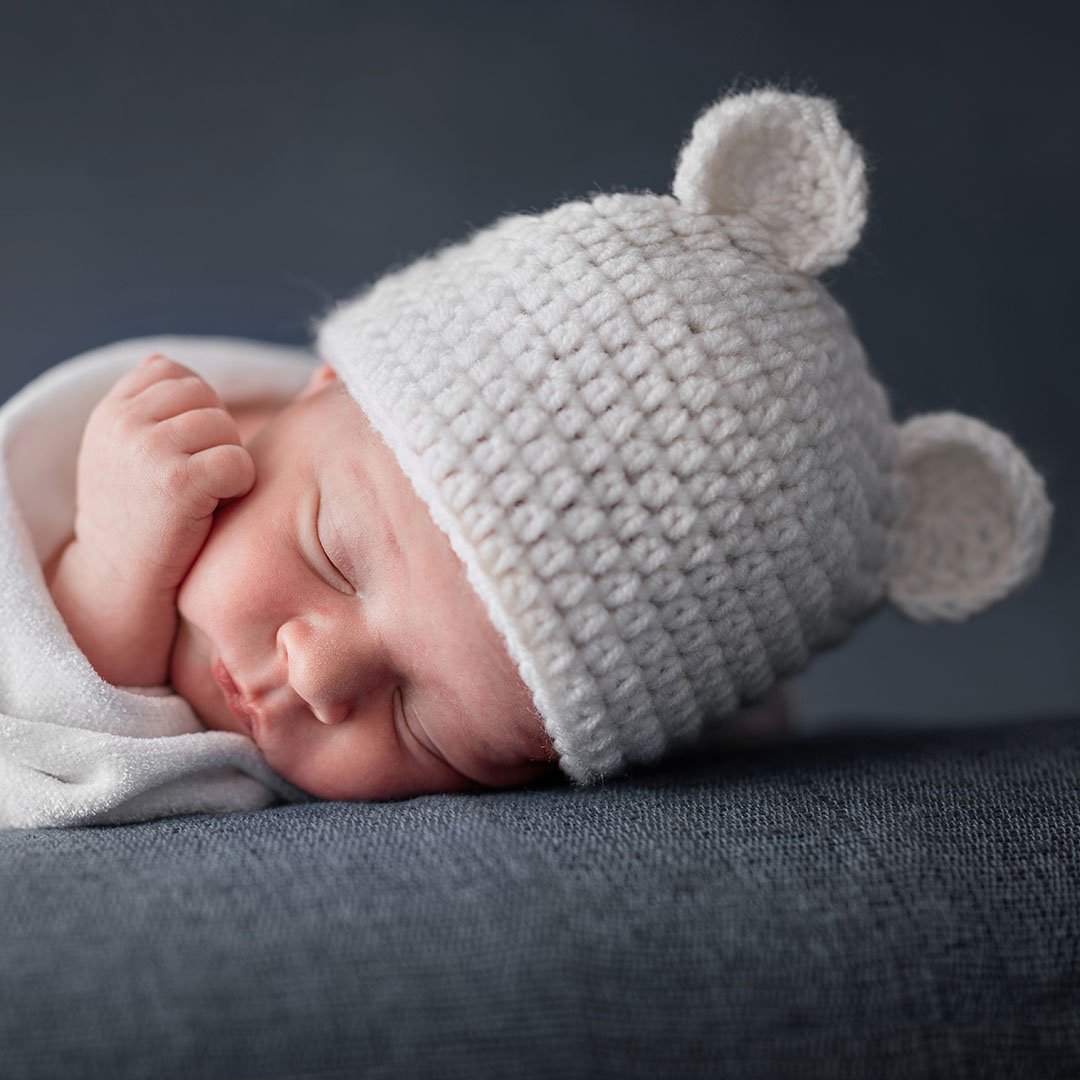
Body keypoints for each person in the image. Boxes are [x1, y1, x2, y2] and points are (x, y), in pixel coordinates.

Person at [12, 87, 1055, 820]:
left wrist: (119, 577)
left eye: (429, 727)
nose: (319, 677)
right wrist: (103, 557)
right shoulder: (125, 445)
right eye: (331, 553)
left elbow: (85, 786)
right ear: (319, 395)